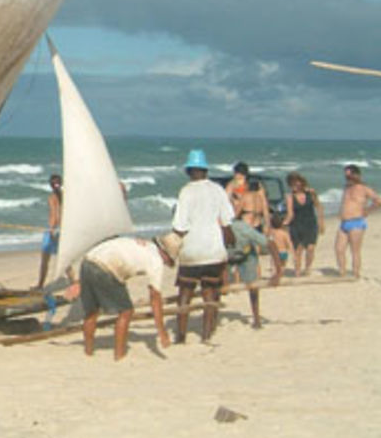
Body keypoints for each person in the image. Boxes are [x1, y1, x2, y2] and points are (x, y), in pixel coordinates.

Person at [76, 233, 181, 361]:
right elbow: (155, 298)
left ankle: (88, 352)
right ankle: (119, 355)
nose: (166, 264)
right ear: (166, 254)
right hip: (108, 266)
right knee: (127, 311)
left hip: (88, 260)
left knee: (92, 312)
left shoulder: (146, 245)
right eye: (169, 261)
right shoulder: (156, 261)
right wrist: (162, 332)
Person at [171, 149, 234, 344]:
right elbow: (227, 222)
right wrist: (229, 243)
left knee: (185, 294)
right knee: (210, 294)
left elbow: (179, 226)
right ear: (205, 170)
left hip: (191, 251)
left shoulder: (186, 191)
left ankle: (181, 337)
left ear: (190, 171)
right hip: (213, 250)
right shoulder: (217, 190)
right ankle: (206, 335)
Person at [225, 219, 282, 329]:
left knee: (253, 286)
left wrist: (278, 272)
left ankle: (256, 318)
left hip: (246, 256)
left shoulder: (244, 230)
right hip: (225, 257)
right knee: (216, 286)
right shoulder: (214, 235)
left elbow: (271, 244)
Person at [335, 164, 381, 278]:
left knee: (355, 250)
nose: (347, 177)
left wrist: (368, 210)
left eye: (349, 175)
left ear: (356, 175)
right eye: (346, 175)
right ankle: (342, 273)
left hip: (356, 222)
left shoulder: (364, 188)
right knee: (339, 249)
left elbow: (379, 201)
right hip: (344, 223)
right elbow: (345, 202)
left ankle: (356, 274)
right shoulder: (346, 188)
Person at [283, 171, 325, 276]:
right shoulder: (289, 197)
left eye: (295, 184)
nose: (293, 187)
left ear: (301, 183)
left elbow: (318, 206)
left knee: (310, 248)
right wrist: (283, 224)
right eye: (291, 184)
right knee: (298, 250)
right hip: (296, 225)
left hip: (310, 223)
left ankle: (307, 268)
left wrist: (321, 222)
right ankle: (297, 271)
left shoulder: (311, 193)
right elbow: (290, 214)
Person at [36, 174, 73, 289]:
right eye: (54, 183)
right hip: (58, 229)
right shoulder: (61, 196)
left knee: (48, 258)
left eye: (55, 183)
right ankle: (73, 281)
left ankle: (41, 285)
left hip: (55, 229)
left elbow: (55, 214)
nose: (55, 185)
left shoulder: (56, 197)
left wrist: (52, 228)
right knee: (59, 258)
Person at [228, 163, 270, 234]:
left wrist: (267, 223)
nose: (239, 179)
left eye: (241, 176)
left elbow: (264, 204)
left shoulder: (256, 186)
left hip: (250, 222)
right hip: (247, 221)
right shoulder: (232, 185)